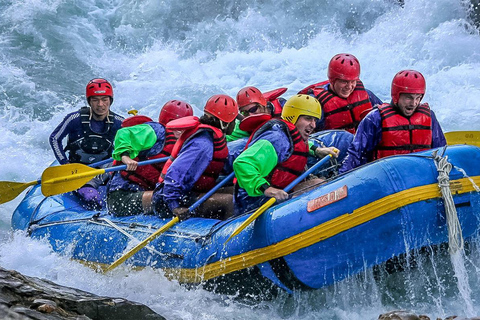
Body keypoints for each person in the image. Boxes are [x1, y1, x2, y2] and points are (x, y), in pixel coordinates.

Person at [233, 94, 339, 216]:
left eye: (315, 120)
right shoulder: (276, 139)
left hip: (273, 191)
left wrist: (316, 150)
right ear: (293, 117)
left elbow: (294, 145)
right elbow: (242, 163)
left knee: (318, 181)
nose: (313, 125)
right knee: (318, 184)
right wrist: (268, 190)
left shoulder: (288, 134)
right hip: (253, 201)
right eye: (308, 119)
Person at [339, 70, 447, 173]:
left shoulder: (429, 117)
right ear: (396, 96)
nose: (414, 103)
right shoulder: (375, 118)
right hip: (386, 178)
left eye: (418, 98)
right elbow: (356, 154)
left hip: (420, 176)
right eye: (409, 98)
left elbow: (441, 151)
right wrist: (340, 180)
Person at [152, 94, 238, 220]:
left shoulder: (210, 138)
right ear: (224, 123)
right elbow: (176, 172)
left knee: (238, 190)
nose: (235, 124)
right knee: (229, 201)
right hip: (168, 199)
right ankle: (230, 236)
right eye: (233, 120)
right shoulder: (202, 144)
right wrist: (174, 205)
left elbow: (223, 164)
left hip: (187, 193)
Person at [107, 100, 193, 216]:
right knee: (174, 201)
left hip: (146, 192)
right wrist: (125, 156)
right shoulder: (157, 131)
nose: (181, 130)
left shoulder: (185, 143)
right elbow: (124, 133)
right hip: (121, 197)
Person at [49, 78, 124, 208]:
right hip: (78, 171)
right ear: (89, 101)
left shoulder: (119, 122)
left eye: (104, 100)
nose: (100, 104)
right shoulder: (75, 119)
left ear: (110, 101)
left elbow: (132, 145)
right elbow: (55, 138)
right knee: (91, 198)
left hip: (103, 170)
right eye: (95, 100)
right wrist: (64, 163)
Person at [298, 53, 383, 133]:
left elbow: (388, 115)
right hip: (330, 147)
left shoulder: (367, 95)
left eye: (353, 81)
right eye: (344, 82)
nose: (349, 87)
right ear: (332, 80)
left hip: (361, 144)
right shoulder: (316, 103)